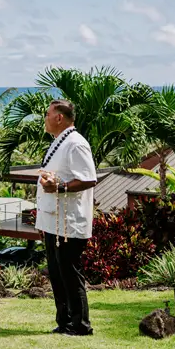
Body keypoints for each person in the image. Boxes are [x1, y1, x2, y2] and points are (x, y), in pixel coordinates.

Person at [36, 99, 98, 336]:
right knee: (57, 273)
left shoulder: (76, 144)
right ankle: (64, 322)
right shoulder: (59, 142)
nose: (45, 118)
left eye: (47, 114)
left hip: (69, 223)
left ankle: (80, 324)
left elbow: (89, 178)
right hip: (53, 220)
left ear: (59, 117)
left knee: (69, 273)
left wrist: (59, 186)